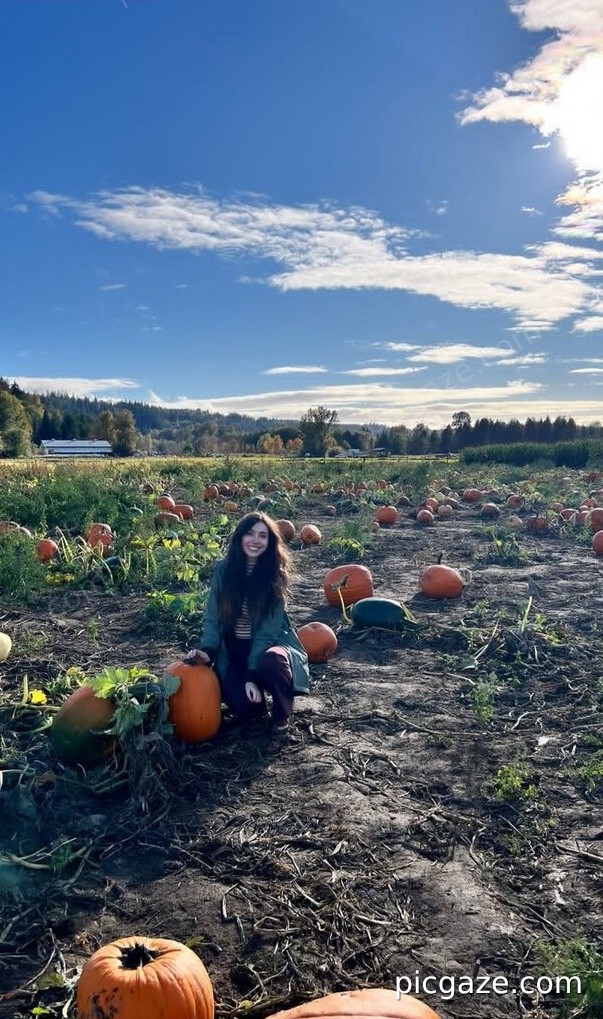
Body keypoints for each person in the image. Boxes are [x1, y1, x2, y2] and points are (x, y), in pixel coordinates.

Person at [185, 511, 310, 733]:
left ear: (270, 542)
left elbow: (268, 631)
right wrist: (209, 650)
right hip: (235, 649)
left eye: (262, 536)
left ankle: (282, 711)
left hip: (268, 645)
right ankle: (255, 700)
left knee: (272, 663)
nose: (255, 540)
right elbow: (213, 616)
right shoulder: (224, 570)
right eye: (250, 533)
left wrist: (252, 674)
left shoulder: (276, 575)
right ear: (240, 536)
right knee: (246, 708)